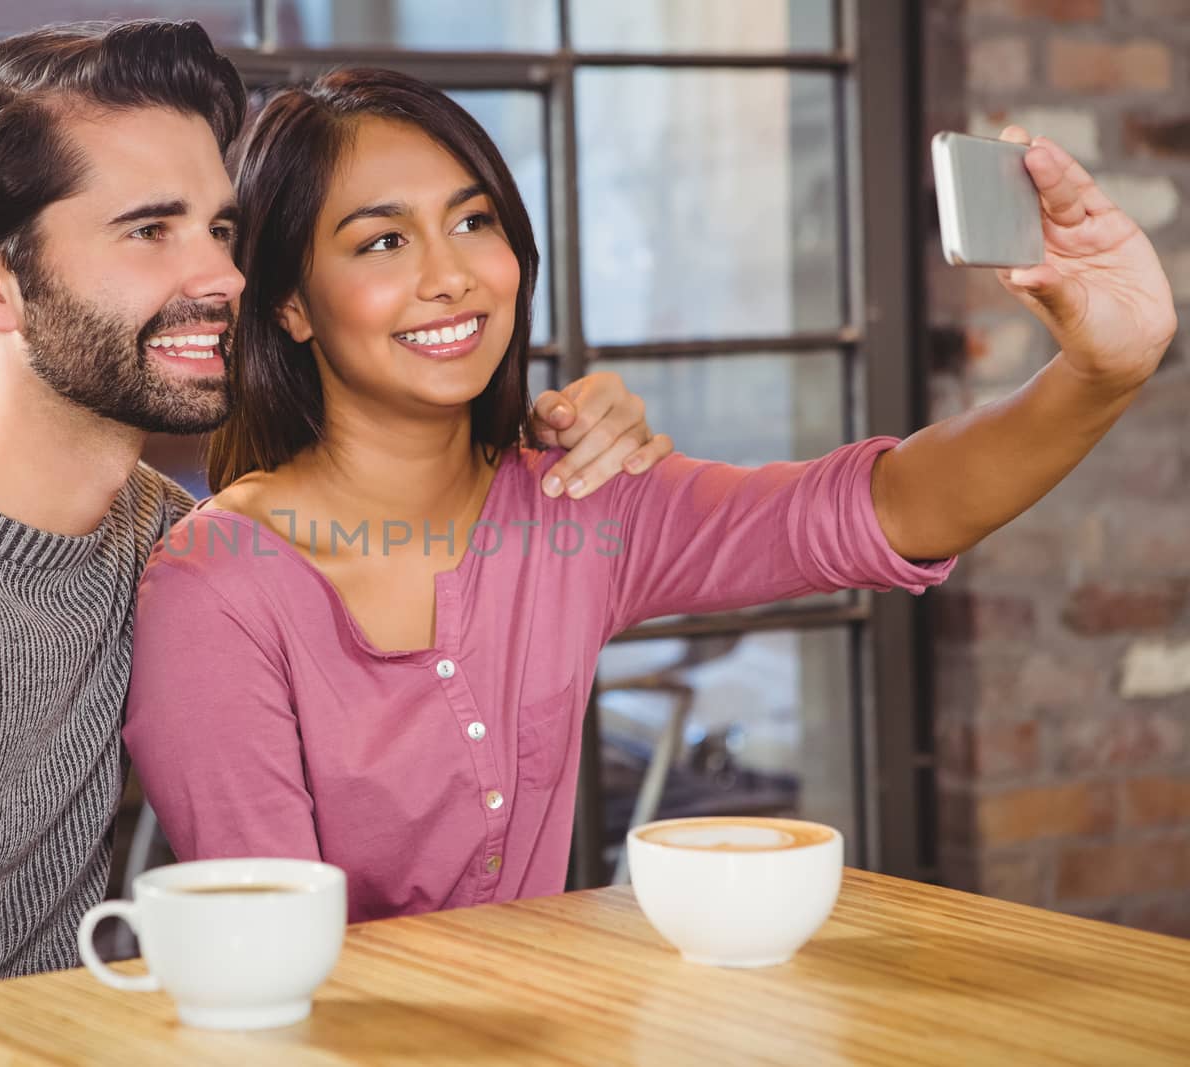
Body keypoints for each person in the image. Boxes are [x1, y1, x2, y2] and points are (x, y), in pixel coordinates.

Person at [0, 24, 658, 1067]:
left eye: (223, 230)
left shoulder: (161, 537)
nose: (223, 277)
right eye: (150, 231)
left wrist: (540, 437)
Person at [122, 68, 1178, 923]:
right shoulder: (219, 587)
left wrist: (1100, 372)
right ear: (293, 307)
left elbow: (886, 508)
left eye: (473, 221)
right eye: (382, 241)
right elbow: (264, 951)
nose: (449, 275)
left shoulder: (578, 498)